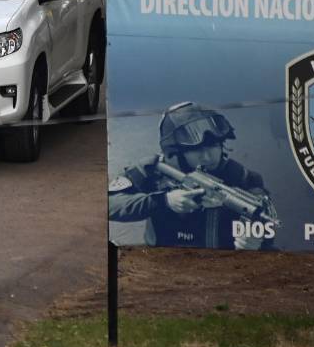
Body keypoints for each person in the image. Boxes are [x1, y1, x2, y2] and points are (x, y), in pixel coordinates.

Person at [109, 102, 272, 250]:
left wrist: (256, 241)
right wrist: (164, 201)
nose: (207, 157)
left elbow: (265, 223)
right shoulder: (153, 169)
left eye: (213, 146)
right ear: (176, 152)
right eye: (196, 150)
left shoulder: (243, 177)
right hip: (161, 263)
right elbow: (110, 204)